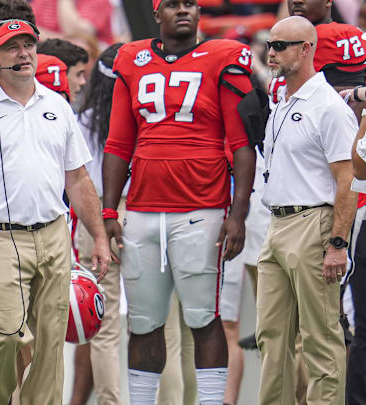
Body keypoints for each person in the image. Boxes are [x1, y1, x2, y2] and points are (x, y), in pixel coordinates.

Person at [0, 18, 111, 404]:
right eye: (13, 46)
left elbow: (78, 179)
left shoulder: (57, 105)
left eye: (29, 44)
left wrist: (98, 235)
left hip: (53, 233)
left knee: (50, 341)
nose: (24, 53)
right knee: (5, 332)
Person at [102, 1, 257, 404]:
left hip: (202, 209)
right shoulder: (131, 59)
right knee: (144, 323)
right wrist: (108, 209)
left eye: (190, 3)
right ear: (157, 13)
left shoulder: (221, 56)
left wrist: (237, 214)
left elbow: (241, 144)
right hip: (140, 211)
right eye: (173, 4)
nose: (183, 10)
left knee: (204, 319)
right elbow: (118, 143)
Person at [257, 15, 357, 405]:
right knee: (271, 337)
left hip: (312, 221)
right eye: (270, 44)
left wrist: (337, 242)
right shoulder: (282, 100)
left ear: (307, 49)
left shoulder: (328, 107)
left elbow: (347, 179)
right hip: (277, 223)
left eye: (281, 45)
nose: (272, 52)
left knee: (320, 336)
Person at [67, 42, 123, 405]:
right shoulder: (138, 114)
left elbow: (75, 180)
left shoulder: (82, 120)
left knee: (104, 329)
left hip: (97, 215)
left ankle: (110, 401)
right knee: (162, 327)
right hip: (140, 209)